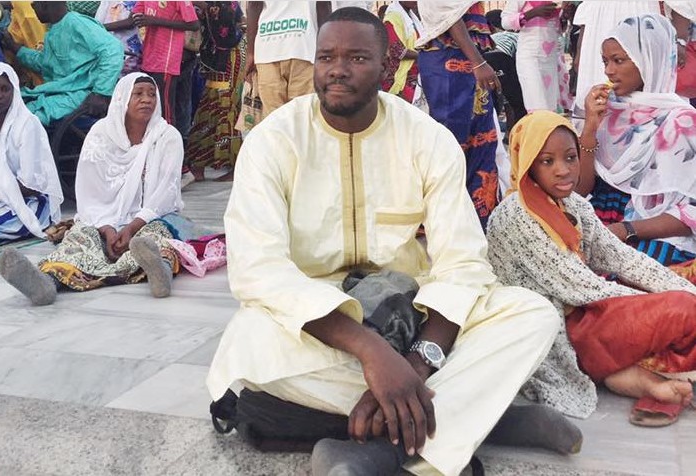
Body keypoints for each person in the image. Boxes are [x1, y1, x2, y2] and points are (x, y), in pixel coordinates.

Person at [206, 8, 566, 475]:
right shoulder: (272, 141)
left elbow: (462, 264)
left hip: (409, 313)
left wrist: (417, 363)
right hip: (319, 319)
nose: (337, 69)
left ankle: (383, 449)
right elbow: (259, 270)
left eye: (357, 57)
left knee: (531, 315)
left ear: (386, 64)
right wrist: (371, 351)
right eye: (326, 57)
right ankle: (477, 415)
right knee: (249, 346)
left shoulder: (427, 140)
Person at [487, 110, 696, 425]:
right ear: (527, 161)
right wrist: (670, 302)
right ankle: (637, 370)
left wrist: (684, 289)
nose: (563, 170)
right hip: (567, 329)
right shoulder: (515, 216)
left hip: (590, 313)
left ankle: (634, 375)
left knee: (682, 287)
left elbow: (622, 258)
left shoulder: (573, 205)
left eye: (571, 158)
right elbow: (583, 287)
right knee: (681, 310)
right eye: (547, 161)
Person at [0, 73, 184, 305]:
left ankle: (160, 272)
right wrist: (107, 230)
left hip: (150, 217)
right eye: (138, 94)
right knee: (80, 238)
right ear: (121, 99)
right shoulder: (100, 134)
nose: (147, 99)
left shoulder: (168, 137)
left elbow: (165, 192)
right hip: (103, 219)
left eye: (151, 94)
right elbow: (89, 192)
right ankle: (46, 282)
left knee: (156, 238)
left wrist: (133, 226)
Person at [576, 14, 696, 267]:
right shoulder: (606, 112)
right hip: (602, 219)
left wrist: (626, 229)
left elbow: (692, 212)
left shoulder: (682, 122)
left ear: (649, 59)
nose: (609, 71)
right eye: (605, 61)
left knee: (632, 279)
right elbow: (580, 190)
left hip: (653, 230)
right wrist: (589, 129)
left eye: (619, 61)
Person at [416, 1, 501, 229]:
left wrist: (477, 61)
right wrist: (478, 61)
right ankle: (446, 229)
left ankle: (479, 227)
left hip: (466, 59)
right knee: (451, 149)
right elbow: (448, 13)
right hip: (450, 60)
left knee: (482, 144)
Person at [0, 63, 63, 262]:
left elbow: (32, 185)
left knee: (12, 222)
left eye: (4, 89)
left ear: (14, 91)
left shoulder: (27, 124)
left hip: (27, 201)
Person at [0, 1, 124, 126]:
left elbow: (113, 50)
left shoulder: (77, 22)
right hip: (62, 90)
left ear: (45, 5)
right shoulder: (54, 31)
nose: (32, 7)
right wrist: (16, 48)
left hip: (83, 92)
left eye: (34, 4)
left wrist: (100, 93)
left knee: (24, 119)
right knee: (8, 105)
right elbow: (43, 63)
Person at [185, 1, 246, 183]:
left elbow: (230, 20)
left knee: (226, 105)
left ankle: (238, 167)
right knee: (209, 105)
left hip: (231, 53)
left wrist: (203, 6)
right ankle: (199, 165)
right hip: (215, 55)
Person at [571, 0, 660, 120]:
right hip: (598, 20)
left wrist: (681, 39)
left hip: (636, 13)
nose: (608, 71)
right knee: (598, 99)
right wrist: (580, 48)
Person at [245, 1, 332, 116]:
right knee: (303, 116)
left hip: (267, 48)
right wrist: (325, 49)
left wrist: (251, 52)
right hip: (304, 47)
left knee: (273, 119)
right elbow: (323, 5)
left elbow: (254, 5)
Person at [130, 0, 200, 129]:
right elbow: (132, 19)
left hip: (166, 61)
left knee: (165, 112)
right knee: (151, 110)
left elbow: (193, 24)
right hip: (149, 58)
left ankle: (170, 145)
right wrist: (99, 26)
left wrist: (154, 21)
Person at [501, 2, 568, 113]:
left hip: (551, 58)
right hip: (529, 57)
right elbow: (505, 22)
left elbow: (559, 28)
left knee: (550, 105)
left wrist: (565, 16)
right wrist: (533, 13)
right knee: (537, 104)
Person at [381, 1, 423, 105]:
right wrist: (424, 56)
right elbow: (396, 50)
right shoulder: (392, 19)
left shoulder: (412, 18)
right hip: (401, 79)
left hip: (416, 74)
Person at [95, 1, 143, 76]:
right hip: (108, 49)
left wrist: (97, 27)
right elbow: (98, 20)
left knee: (126, 81)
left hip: (128, 50)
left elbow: (131, 22)